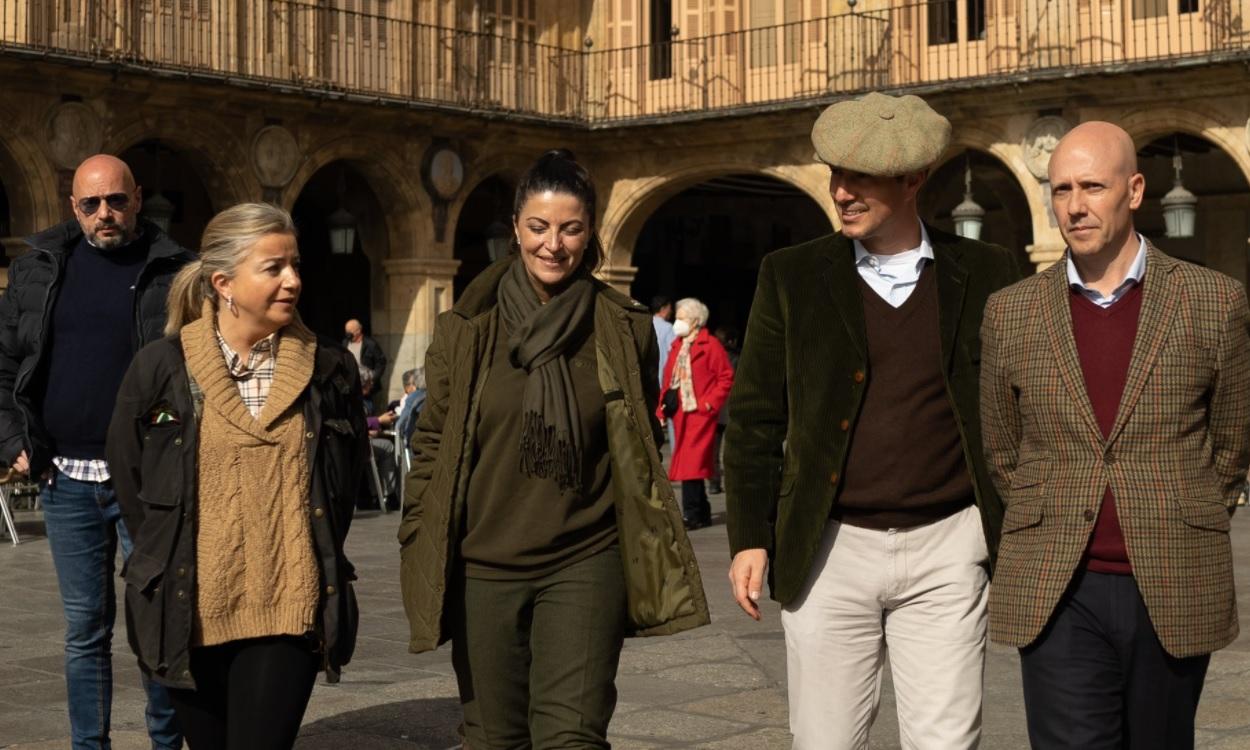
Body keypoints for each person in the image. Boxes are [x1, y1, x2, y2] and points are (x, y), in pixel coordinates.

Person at [723, 92, 1022, 749]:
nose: (841, 192)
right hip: (831, 547)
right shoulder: (791, 276)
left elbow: (1026, 405)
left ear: (914, 179)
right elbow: (752, 419)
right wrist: (750, 534)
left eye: (861, 177)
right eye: (836, 174)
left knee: (946, 742)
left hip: (949, 545)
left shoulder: (991, 272)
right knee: (826, 741)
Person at [398, 149, 709, 750]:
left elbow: (636, 440)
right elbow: (432, 440)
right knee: (493, 739)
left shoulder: (622, 326)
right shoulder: (468, 326)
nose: (553, 245)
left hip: (585, 559)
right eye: (539, 227)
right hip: (483, 565)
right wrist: (418, 529)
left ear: (590, 232)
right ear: (515, 227)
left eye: (570, 228)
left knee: (573, 737)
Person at [981, 121, 1250, 749]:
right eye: (1060, 188)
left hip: (1172, 575)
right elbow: (1001, 446)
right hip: (1056, 583)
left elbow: (1233, 438)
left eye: (1092, 186)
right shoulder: (1012, 311)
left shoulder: (1213, 300)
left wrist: (1189, 507)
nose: (1074, 205)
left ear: (1133, 190)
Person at [106, 203, 367, 750]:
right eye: (273, 268)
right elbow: (134, 484)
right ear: (223, 282)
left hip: (289, 608)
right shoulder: (160, 367)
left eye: (294, 265)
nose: (292, 280)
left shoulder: (329, 370)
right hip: (190, 610)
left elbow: (342, 485)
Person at [0, 153, 191, 750]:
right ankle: (90, 746)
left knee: (155, 620)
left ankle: (166, 744)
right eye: (91, 203)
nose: (105, 213)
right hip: (65, 479)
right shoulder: (38, 271)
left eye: (116, 200)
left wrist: (162, 436)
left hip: (148, 480)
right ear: (73, 208)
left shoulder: (176, 271)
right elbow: (4, 364)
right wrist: (15, 442)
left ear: (137, 198)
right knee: (85, 629)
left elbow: (196, 371)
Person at [657, 298, 734, 529]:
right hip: (681, 414)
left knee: (691, 464)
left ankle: (692, 514)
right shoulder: (677, 345)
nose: (677, 322)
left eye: (681, 318)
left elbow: (726, 377)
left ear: (695, 321)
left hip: (700, 414)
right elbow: (669, 381)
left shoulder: (710, 346)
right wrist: (661, 408)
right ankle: (701, 511)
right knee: (692, 465)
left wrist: (709, 403)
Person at [707, 325, 741, 495]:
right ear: (731, 341)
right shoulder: (737, 358)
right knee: (735, 449)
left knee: (714, 449)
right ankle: (736, 482)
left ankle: (714, 483)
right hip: (734, 408)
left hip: (717, 408)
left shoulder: (711, 357)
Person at [344, 318, 387, 386]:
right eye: (347, 332)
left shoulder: (370, 344)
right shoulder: (345, 343)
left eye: (350, 331)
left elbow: (381, 362)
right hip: (351, 383)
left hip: (367, 384)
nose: (348, 335)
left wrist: (373, 378)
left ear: (358, 330)